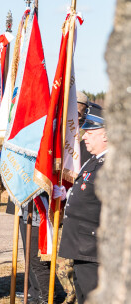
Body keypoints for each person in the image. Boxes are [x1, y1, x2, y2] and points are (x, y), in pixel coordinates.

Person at [58, 105, 107, 304]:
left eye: (90, 132)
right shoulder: (93, 161)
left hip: (94, 248)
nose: (84, 137)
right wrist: (65, 195)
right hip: (80, 247)